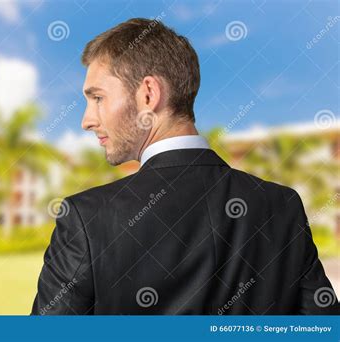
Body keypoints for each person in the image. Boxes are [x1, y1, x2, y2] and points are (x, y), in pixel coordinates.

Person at [31, 18, 339, 315]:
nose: (87, 120)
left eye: (97, 97)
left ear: (148, 94)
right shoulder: (281, 206)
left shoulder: (86, 219)